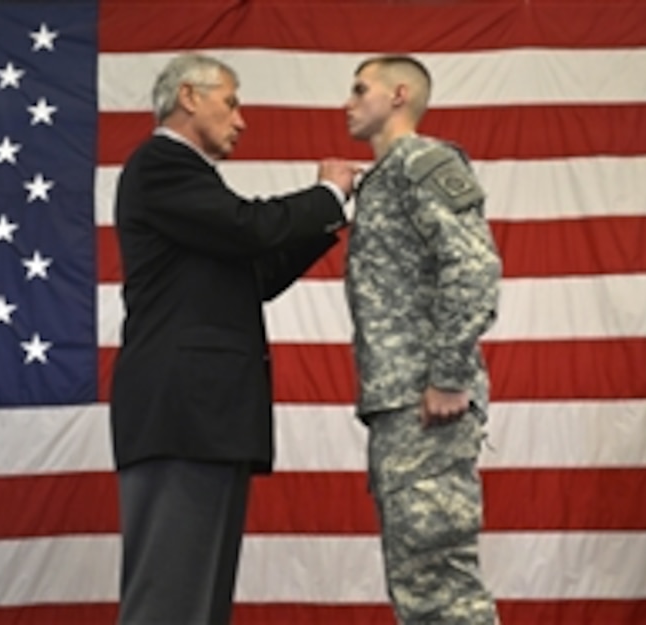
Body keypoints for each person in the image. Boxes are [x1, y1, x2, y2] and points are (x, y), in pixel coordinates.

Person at [109, 53, 357, 624]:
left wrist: (330, 217)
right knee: (170, 605)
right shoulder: (160, 165)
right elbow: (248, 228)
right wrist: (325, 195)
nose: (241, 119)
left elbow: (256, 273)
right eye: (232, 101)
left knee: (199, 605)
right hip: (182, 415)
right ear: (189, 97)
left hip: (206, 418)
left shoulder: (189, 183)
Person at [343, 55, 501, 624]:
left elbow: (475, 266)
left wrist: (448, 375)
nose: (349, 102)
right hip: (400, 405)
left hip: (428, 403)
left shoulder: (423, 161)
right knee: (417, 582)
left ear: (399, 94)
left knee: (441, 584)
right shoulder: (383, 179)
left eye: (362, 89)